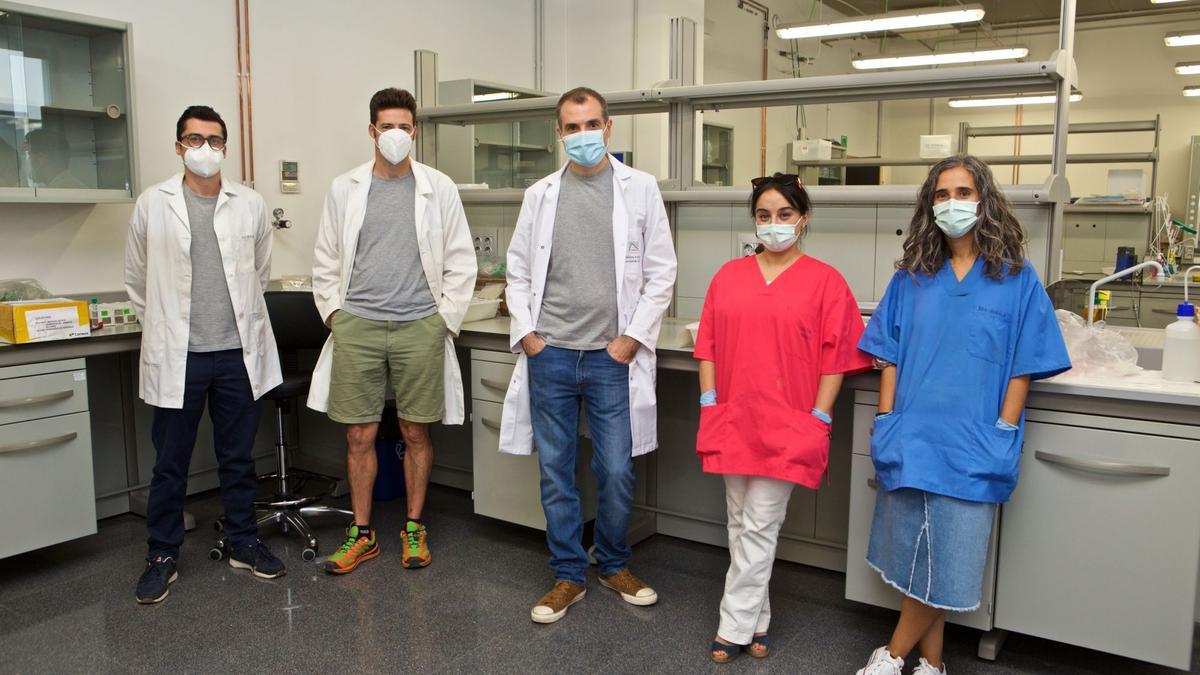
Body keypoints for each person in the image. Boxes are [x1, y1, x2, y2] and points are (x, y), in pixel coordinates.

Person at [854, 155, 1071, 675]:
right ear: (931, 205)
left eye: (964, 192)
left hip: (976, 441)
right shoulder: (912, 279)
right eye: (942, 194)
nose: (953, 203)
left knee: (950, 562)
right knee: (918, 557)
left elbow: (1023, 365)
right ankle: (933, 665)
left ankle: (891, 656)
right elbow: (889, 354)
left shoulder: (1016, 280)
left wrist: (1003, 429)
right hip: (914, 433)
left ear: (985, 200)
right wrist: (886, 420)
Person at [501, 86, 677, 624]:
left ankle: (614, 563)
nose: (583, 136)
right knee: (556, 471)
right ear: (559, 133)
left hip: (611, 357)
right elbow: (518, 271)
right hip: (550, 352)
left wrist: (631, 339)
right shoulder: (541, 194)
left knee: (616, 470)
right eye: (572, 127)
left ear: (609, 127)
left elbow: (660, 270)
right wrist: (530, 335)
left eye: (591, 124)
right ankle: (567, 575)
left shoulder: (640, 189)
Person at [694, 174, 871, 663]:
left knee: (760, 523)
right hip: (733, 415)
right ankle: (758, 620)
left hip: (791, 420)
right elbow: (706, 343)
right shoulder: (728, 276)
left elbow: (837, 357)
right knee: (739, 521)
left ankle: (731, 624)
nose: (774, 225)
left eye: (785, 215)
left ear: (803, 218)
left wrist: (819, 413)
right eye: (764, 216)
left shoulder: (826, 281)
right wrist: (709, 400)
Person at [308, 87, 476, 574]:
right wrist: (336, 315)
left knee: (414, 429)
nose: (396, 135)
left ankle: (414, 528)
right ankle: (362, 535)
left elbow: (461, 259)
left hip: (419, 324)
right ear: (372, 131)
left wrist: (443, 319)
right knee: (359, 433)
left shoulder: (437, 187)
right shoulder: (346, 187)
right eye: (387, 127)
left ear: (415, 131)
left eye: (405, 126)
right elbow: (325, 257)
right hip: (357, 324)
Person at [125, 105, 285, 604]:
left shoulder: (250, 204)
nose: (206, 149)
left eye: (215, 140)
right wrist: (170, 328)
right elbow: (137, 279)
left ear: (225, 147)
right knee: (170, 463)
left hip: (236, 354)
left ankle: (244, 542)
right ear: (178, 147)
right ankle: (162, 554)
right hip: (181, 356)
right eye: (195, 139)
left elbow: (258, 273)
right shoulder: (153, 204)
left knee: (238, 458)